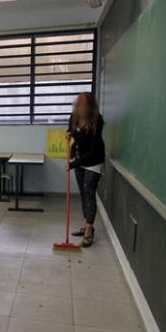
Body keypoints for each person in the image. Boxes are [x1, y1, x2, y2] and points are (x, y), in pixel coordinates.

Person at [66, 92, 105, 247]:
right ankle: (86, 224)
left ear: (90, 108)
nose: (80, 110)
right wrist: (69, 134)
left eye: (83, 107)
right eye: (78, 106)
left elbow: (94, 150)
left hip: (94, 161)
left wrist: (73, 164)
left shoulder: (97, 120)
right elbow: (71, 132)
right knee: (83, 193)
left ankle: (89, 230)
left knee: (89, 192)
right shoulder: (74, 117)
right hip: (80, 159)